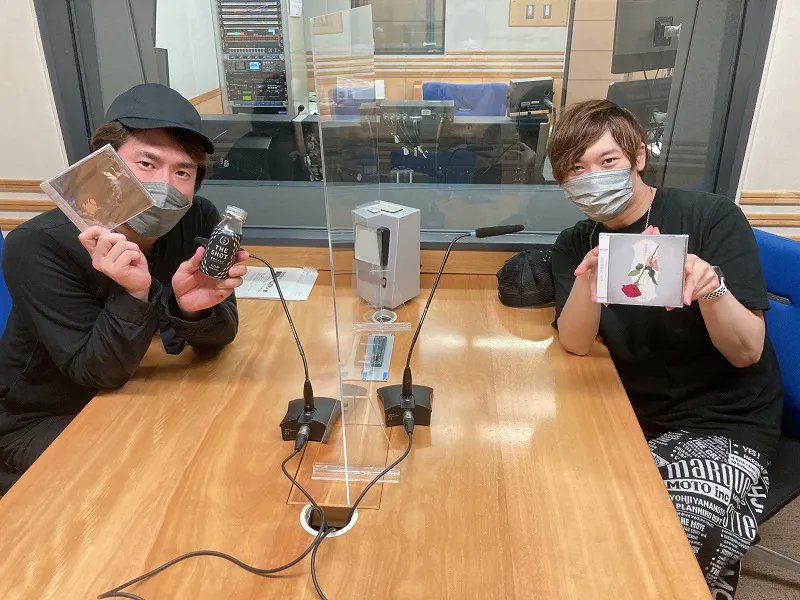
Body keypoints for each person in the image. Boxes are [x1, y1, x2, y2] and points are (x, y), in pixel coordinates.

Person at [548, 99, 783, 595]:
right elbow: (575, 343)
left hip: (721, 419)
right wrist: (589, 281)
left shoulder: (711, 217)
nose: (593, 177)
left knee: (659, 548)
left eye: (608, 161)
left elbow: (746, 352)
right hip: (628, 412)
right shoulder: (576, 241)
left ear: (638, 157)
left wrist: (711, 289)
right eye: (577, 169)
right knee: (564, 516)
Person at [0, 83, 248, 493]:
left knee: (222, 446)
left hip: (134, 391)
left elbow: (220, 338)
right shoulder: (38, 245)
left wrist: (194, 311)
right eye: (146, 163)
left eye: (182, 172)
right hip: (42, 417)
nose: (165, 185)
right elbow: (95, 372)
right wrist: (134, 294)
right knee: (156, 481)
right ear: (105, 167)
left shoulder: (196, 217)